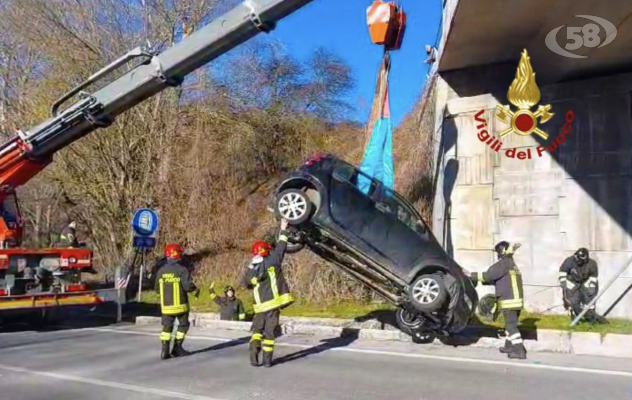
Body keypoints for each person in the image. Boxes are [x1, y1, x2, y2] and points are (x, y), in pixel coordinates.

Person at [242, 218, 294, 368]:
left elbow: (245, 283)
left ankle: (253, 354)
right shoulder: (274, 260)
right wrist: (283, 227)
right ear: (267, 250)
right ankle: (267, 361)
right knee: (269, 334)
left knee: (257, 331)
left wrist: (252, 269)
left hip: (259, 308)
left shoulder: (252, 267)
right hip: (272, 306)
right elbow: (282, 245)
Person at [468, 241, 526, 359]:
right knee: (510, 324)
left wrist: (471, 275)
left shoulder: (503, 264)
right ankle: (509, 346)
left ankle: (519, 350)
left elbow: (489, 275)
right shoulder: (511, 264)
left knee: (511, 326)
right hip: (516, 301)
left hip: (509, 301)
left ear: (500, 251)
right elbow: (498, 279)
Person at [154, 243, 200, 360]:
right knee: (183, 325)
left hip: (166, 307)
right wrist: (196, 290)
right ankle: (177, 348)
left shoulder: (161, 271)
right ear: (177, 255)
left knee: (166, 328)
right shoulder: (182, 270)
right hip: (181, 306)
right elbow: (188, 286)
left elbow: (157, 289)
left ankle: (164, 351)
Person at [559, 248, 607, 324]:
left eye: (580, 259)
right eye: (577, 258)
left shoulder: (592, 264)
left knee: (589, 299)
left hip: (586, 282)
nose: (577, 260)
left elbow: (593, 278)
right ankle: (574, 316)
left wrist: (591, 288)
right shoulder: (569, 261)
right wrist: (566, 285)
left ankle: (591, 317)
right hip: (573, 282)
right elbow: (562, 275)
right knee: (574, 300)